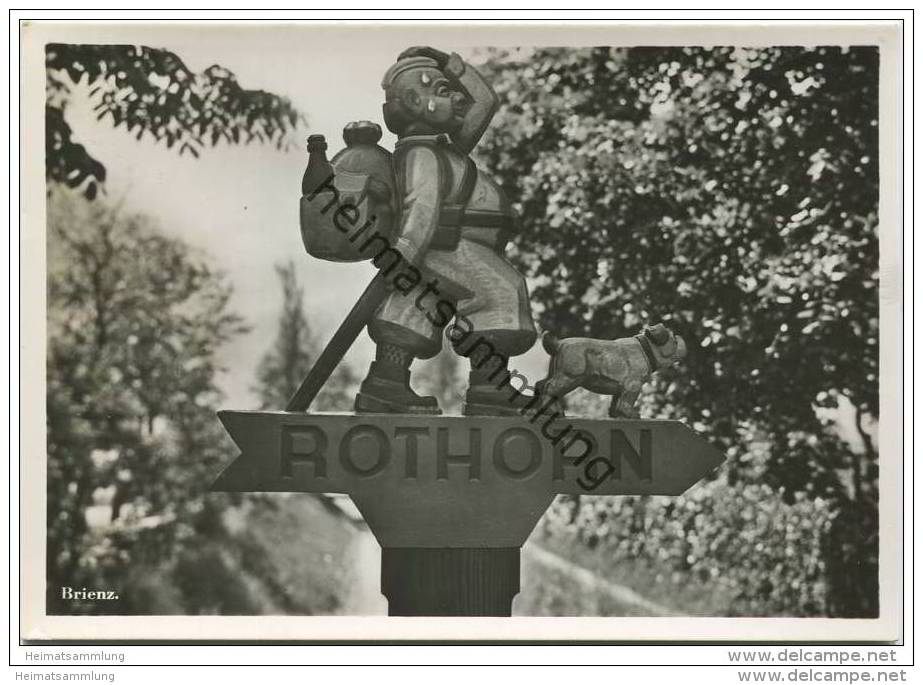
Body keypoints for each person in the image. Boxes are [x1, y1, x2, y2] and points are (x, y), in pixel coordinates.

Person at [356, 46, 537, 416]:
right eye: (442, 90)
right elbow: (422, 208)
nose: (457, 95)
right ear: (411, 100)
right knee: (500, 291)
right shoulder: (422, 154)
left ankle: (385, 386)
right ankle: (490, 387)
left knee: (416, 304)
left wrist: (446, 63)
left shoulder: (448, 146)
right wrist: (404, 254)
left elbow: (484, 101)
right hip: (446, 246)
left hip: (439, 250)